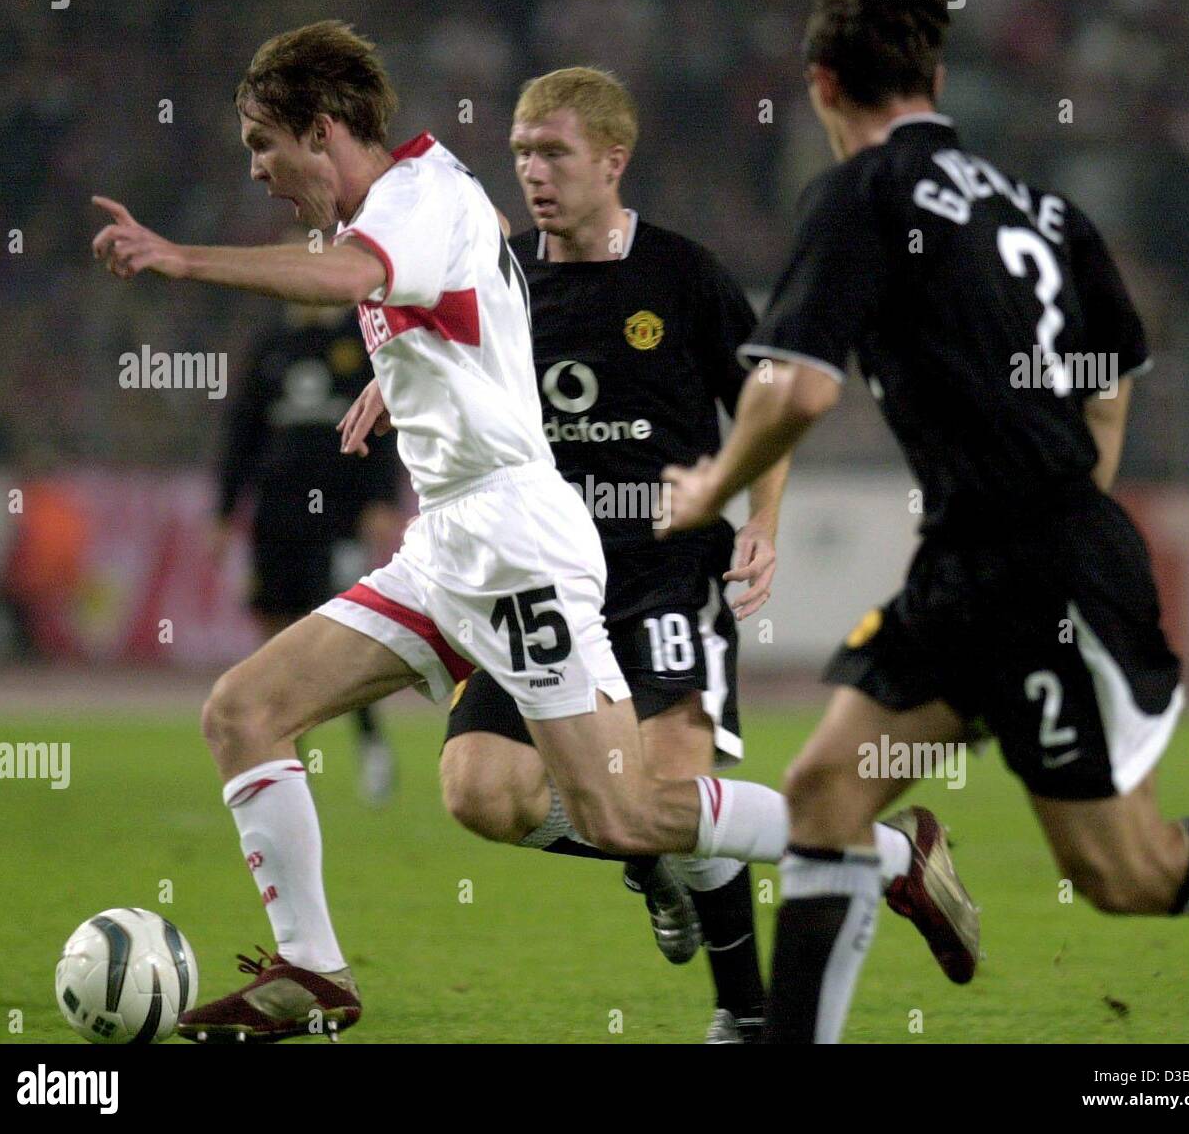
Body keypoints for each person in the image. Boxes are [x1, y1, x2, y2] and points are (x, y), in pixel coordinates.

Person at [91, 19, 794, 1043]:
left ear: (322, 128)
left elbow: (350, 279)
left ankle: (863, 847)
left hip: (522, 544)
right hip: (451, 544)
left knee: (628, 815)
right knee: (247, 712)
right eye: (525, 152)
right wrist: (399, 371)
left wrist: (181, 260)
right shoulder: (438, 213)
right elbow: (477, 311)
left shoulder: (420, 204)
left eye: (262, 145)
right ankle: (312, 972)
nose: (256, 170)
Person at [661, 0, 1189, 1044]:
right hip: (990, 563)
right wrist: (1063, 505)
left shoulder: (862, 193)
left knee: (1128, 871)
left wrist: (711, 485)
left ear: (818, 84)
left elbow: (797, 383)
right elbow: (1110, 387)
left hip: (1027, 573)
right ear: (935, 73)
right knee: (826, 793)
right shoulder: (1041, 207)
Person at [345, 66, 977, 1044]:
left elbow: (771, 395)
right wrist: (406, 380)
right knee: (481, 792)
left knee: (670, 791)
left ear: (611, 159)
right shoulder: (500, 275)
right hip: (539, 584)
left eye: (552, 152)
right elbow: (443, 355)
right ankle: (666, 861)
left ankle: (745, 1009)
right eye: (519, 152)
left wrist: (759, 519)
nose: (532, 172)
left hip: (664, 577)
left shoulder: (682, 276)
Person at [215, 301, 403, 805]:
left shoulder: (359, 343)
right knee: (275, 635)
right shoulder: (270, 346)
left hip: (337, 519)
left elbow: (386, 428)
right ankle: (286, 762)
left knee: (346, 636)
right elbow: (241, 436)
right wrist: (225, 511)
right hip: (276, 519)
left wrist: (382, 499)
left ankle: (372, 747)